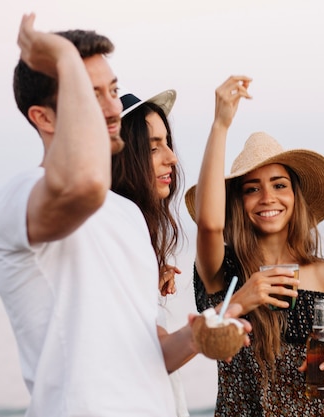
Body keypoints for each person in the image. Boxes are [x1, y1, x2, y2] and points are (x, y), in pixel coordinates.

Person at [0, 15, 249, 416]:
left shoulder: (127, 215)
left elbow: (152, 351)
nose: (112, 109)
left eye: (113, 90)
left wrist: (204, 331)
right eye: (90, 95)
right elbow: (85, 184)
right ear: (44, 117)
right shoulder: (15, 199)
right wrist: (60, 55)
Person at [184, 75, 324, 416]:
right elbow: (209, 224)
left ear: (295, 196)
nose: (268, 197)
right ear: (237, 201)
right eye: (252, 188)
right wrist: (220, 124)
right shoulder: (225, 271)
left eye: (279, 185)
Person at [112, 88, 188, 416]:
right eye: (153, 147)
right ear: (121, 156)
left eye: (167, 143)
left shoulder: (136, 228)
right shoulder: (115, 226)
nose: (171, 158)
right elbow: (151, 353)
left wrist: (147, 278)